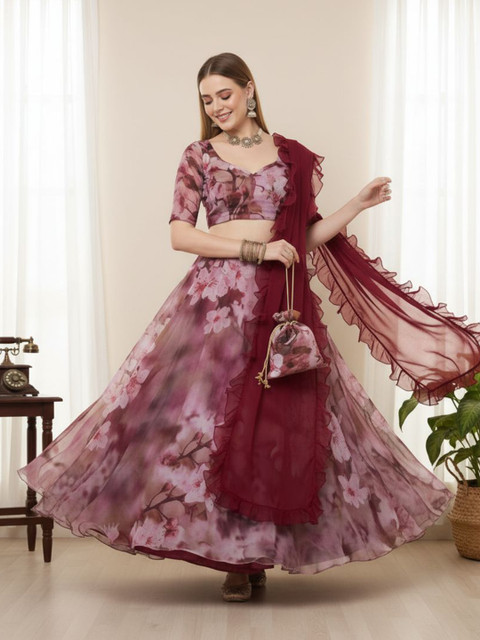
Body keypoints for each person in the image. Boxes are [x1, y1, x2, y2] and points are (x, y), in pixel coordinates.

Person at [19, 53, 480, 603]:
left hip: (278, 305)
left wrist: (356, 204)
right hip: (215, 306)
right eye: (207, 99)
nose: (216, 107)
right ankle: (231, 559)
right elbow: (180, 235)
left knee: (273, 431)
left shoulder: (292, 157)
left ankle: (255, 553)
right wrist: (254, 249)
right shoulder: (198, 155)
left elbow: (304, 239)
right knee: (203, 426)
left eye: (225, 94)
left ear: (249, 90)